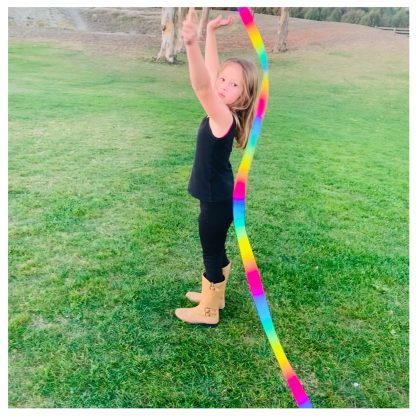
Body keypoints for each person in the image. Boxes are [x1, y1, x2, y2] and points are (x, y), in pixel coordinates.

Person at [175, 8, 259, 326]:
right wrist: (209, 33)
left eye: (233, 85)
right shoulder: (224, 111)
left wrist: (191, 45)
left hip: (216, 200)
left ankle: (208, 310)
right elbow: (212, 76)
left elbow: (202, 87)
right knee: (215, 245)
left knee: (210, 250)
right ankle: (216, 294)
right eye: (223, 79)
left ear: (244, 95)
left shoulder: (222, 116)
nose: (223, 85)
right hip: (218, 197)